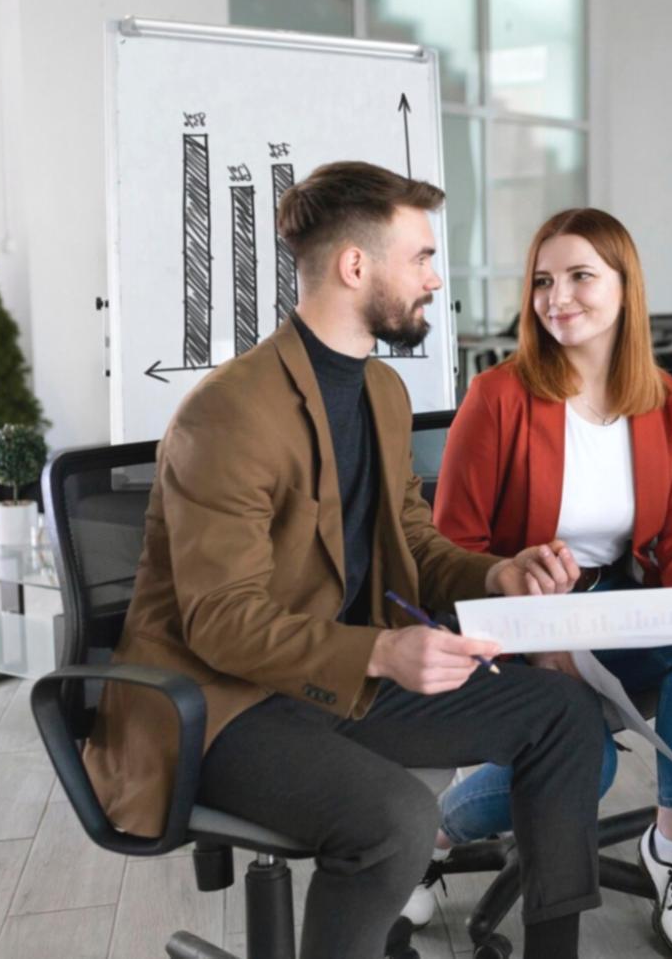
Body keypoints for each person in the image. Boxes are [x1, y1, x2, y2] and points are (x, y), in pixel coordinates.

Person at [82, 161, 607, 959]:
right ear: (355, 267)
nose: (436, 279)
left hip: (341, 679)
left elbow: (414, 544)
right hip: (221, 702)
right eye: (422, 258)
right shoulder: (229, 414)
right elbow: (221, 621)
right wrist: (384, 651)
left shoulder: (382, 396)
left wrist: (496, 572)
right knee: (396, 819)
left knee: (563, 714)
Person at [411, 207, 672, 959]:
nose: (557, 297)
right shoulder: (499, 397)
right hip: (509, 614)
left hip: (611, 605)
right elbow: (449, 546)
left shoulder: (666, 401)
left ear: (626, 289)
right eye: (543, 281)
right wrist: (535, 637)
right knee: (582, 763)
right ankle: (431, 833)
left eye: (580, 277)